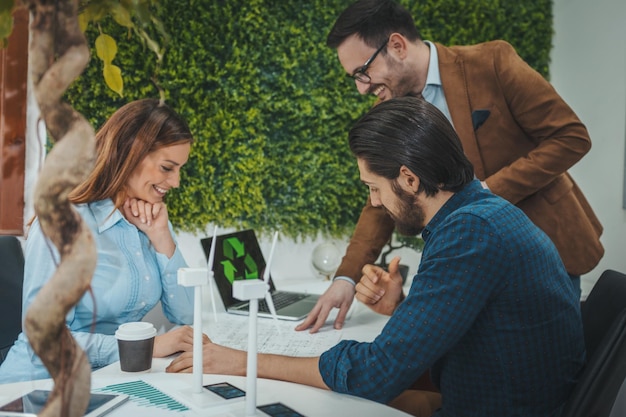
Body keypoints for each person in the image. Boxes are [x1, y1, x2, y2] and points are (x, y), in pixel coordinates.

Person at [167, 97, 585, 417]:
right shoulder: (481, 215)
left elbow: (375, 374)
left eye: (373, 186)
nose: (374, 201)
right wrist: (399, 310)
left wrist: (240, 361)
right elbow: (476, 327)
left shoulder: (470, 233)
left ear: (408, 177)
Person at [297, 0, 604, 334]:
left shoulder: (492, 62)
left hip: (548, 244)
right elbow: (384, 196)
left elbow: (570, 136)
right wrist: (346, 277)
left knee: (541, 362)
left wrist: (484, 195)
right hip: (472, 263)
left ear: (397, 46)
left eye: (363, 71)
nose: (361, 87)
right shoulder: (389, 108)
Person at [0, 98, 206, 383]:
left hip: (108, 378)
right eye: (167, 168)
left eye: (179, 169)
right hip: (38, 385)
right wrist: (145, 347)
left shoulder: (149, 218)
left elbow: (185, 314)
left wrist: (161, 237)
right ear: (131, 154)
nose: (176, 182)